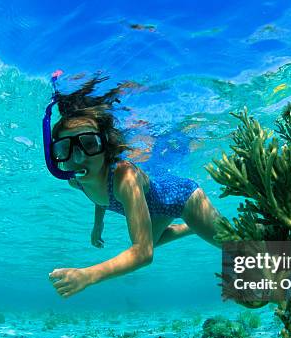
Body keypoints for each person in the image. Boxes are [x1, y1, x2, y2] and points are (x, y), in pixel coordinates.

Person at [46, 76, 223, 298]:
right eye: (65, 148)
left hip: (181, 198)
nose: (78, 157)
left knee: (236, 247)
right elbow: (96, 196)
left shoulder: (124, 177)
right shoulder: (77, 180)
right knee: (154, 240)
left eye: (89, 144)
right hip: (154, 210)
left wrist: (87, 276)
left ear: (105, 146)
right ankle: (193, 228)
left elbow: (142, 253)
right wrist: (97, 225)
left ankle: (271, 247)